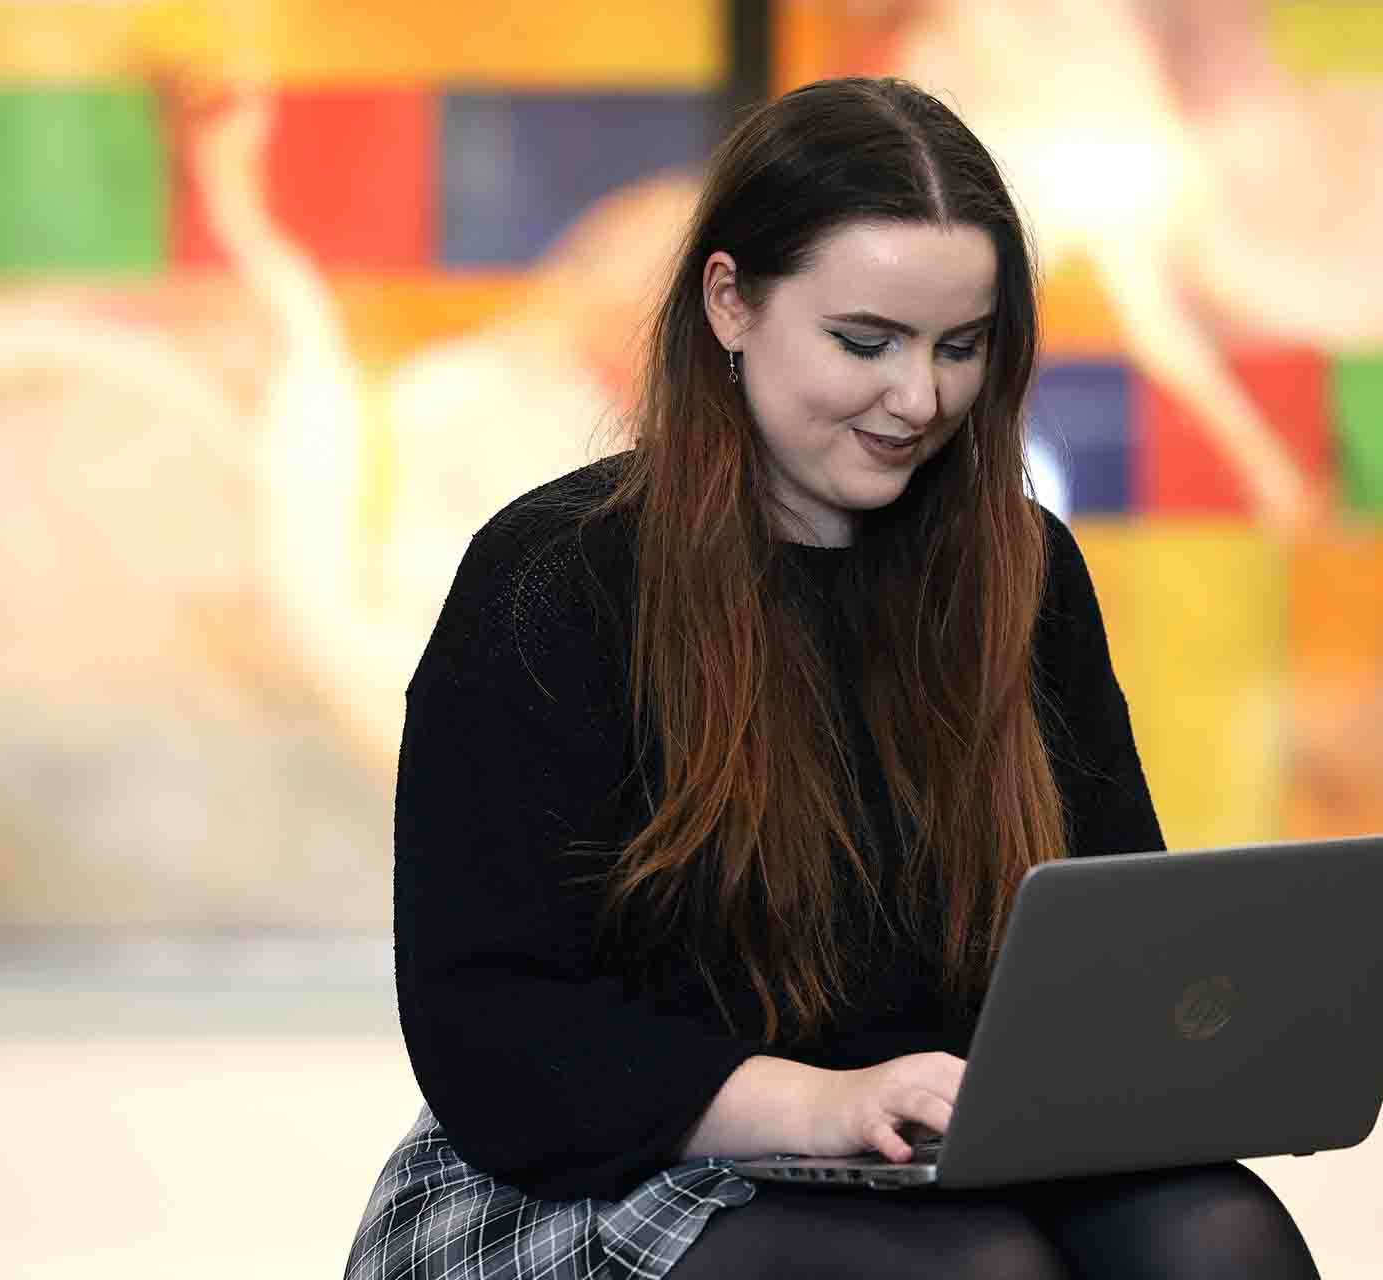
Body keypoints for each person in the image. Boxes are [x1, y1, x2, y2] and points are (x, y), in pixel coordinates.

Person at [345, 77, 1321, 1279]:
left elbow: (1113, 937)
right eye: (866, 342)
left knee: (1224, 1241)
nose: (920, 399)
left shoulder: (1027, 573)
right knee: (979, 1272)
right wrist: (813, 1102)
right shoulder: (554, 580)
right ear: (730, 302)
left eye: (960, 348)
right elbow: (492, 1027)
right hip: (606, 1164)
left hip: (928, 1153)